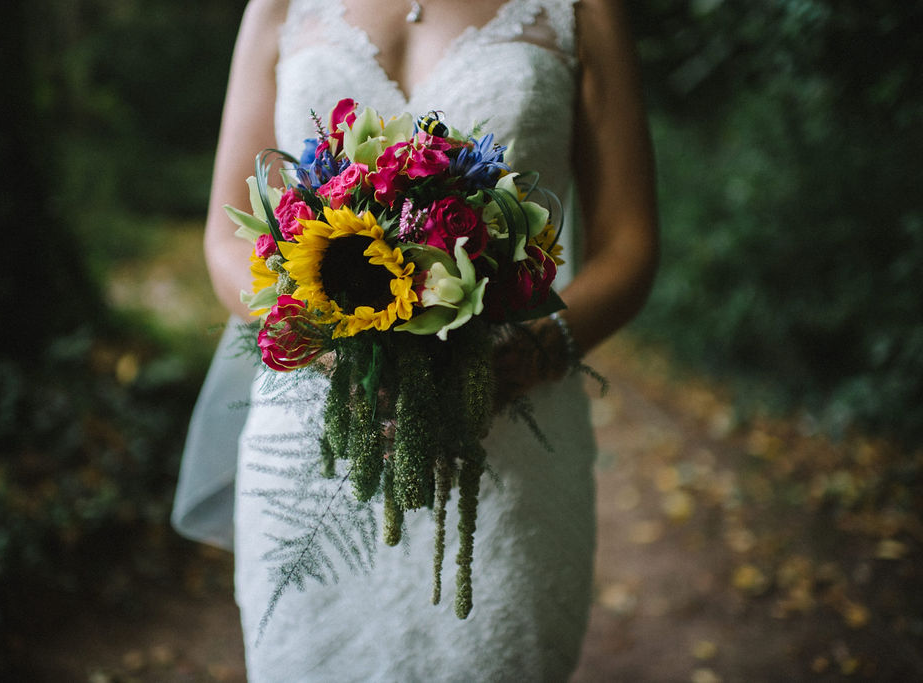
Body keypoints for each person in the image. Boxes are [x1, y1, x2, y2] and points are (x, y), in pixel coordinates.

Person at [173, 0, 658, 680]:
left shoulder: (582, 10)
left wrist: (520, 361)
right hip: (313, 435)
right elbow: (228, 235)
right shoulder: (279, 6)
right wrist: (321, 339)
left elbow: (630, 245)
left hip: (510, 444)